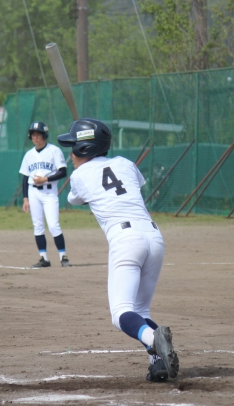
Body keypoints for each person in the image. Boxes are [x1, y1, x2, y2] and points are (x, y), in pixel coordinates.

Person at [58, 118, 179, 382]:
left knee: (121, 313)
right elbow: (129, 185)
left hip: (126, 241)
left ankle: (154, 340)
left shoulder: (79, 176)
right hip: (154, 236)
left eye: (74, 148)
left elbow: (74, 199)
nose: (71, 154)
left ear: (84, 149)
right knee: (141, 311)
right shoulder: (125, 163)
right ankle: (158, 363)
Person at [19, 121, 71, 268]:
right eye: (33, 135)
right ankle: (44, 258)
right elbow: (25, 178)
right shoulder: (29, 155)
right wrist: (25, 199)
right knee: (38, 226)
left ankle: (63, 257)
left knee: (53, 225)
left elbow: (63, 172)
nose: (35, 137)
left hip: (49, 191)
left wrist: (46, 179)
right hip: (33, 192)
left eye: (38, 134)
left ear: (44, 135)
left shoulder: (54, 151)